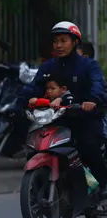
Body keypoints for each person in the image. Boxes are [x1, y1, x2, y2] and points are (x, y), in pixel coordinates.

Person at [16, 21, 107, 199]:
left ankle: (102, 185)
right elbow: (34, 87)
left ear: (74, 42)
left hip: (84, 119)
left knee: (88, 147)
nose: (58, 45)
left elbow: (98, 85)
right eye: (56, 41)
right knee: (35, 148)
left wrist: (91, 101)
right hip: (57, 119)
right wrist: (19, 104)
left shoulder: (88, 66)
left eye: (63, 40)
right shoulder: (48, 66)